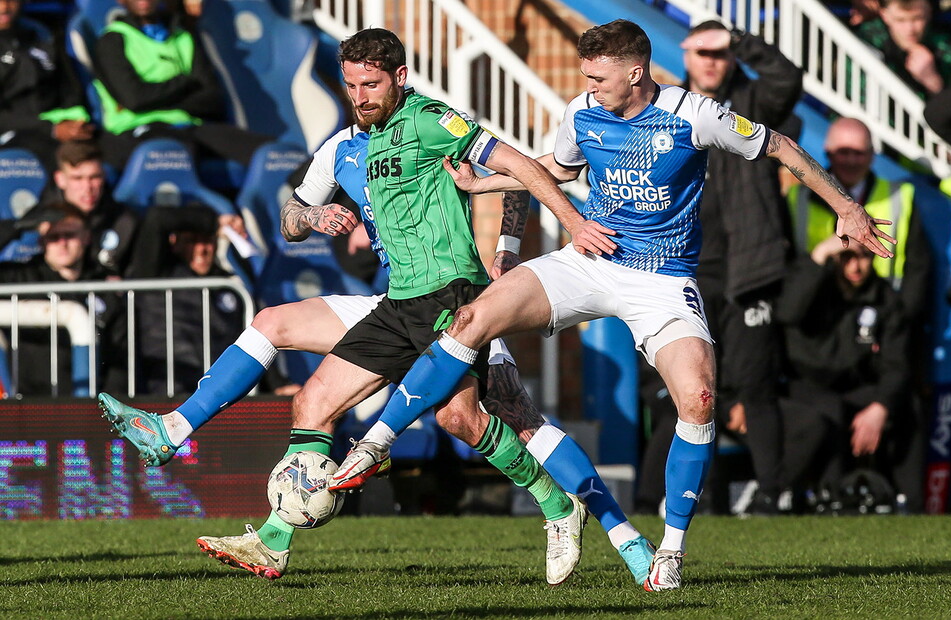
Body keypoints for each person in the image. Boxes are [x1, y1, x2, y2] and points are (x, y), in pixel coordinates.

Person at [330, 19, 895, 592]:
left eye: (599, 78)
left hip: (662, 280)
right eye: (586, 77)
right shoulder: (582, 112)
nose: (589, 87)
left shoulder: (694, 114)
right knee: (473, 317)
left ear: (636, 72)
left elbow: (779, 146)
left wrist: (847, 207)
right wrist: (483, 186)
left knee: (699, 398)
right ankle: (376, 442)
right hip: (590, 259)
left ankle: (669, 552)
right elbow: (559, 169)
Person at [100, 27, 636, 586]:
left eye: (371, 85)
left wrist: (549, 232)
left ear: (399, 78)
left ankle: (570, 510)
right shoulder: (343, 148)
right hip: (397, 301)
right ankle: (242, 507)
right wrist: (313, 217)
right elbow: (290, 217)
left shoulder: (431, 121)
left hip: (454, 298)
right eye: (351, 85)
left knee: (472, 418)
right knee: (307, 394)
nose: (359, 97)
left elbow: (520, 170)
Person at [638, 20, 803, 516]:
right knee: (691, 389)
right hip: (686, 271)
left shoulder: (752, 104)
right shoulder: (664, 109)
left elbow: (787, 79)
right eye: (702, 52)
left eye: (719, 53)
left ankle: (773, 497)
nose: (711, 62)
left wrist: (739, 41)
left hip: (750, 272)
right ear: (685, 56)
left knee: (756, 389)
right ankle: (682, 497)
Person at [776, 237, 911, 506]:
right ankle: (830, 497)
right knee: (832, 410)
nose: (856, 267)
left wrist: (881, 407)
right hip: (803, 383)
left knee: (908, 407)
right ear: (836, 258)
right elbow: (787, 313)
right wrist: (820, 253)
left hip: (855, 386)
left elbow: (897, 364)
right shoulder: (815, 285)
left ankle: (911, 502)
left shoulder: (884, 298)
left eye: (864, 257)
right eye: (848, 257)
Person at [92, 0, 271, 169]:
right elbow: (135, 99)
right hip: (138, 129)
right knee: (178, 152)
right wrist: (186, 82)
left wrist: (159, 98)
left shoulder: (182, 37)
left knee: (272, 154)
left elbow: (212, 99)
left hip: (189, 125)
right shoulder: (112, 40)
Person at [786, 118, 931, 324]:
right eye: (844, 152)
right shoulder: (798, 197)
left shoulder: (901, 197)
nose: (851, 160)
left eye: (859, 153)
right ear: (828, 152)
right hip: (816, 319)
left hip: (880, 317)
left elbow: (918, 266)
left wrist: (901, 319)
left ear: (872, 155)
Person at [123, 203, 246, 394]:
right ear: (175, 243)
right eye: (192, 241)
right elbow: (157, 218)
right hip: (169, 389)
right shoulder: (155, 272)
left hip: (221, 390)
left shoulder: (228, 284)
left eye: (207, 240)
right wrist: (213, 223)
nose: (202, 249)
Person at [0, 202, 116, 395]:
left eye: (69, 235)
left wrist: (110, 404)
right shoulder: (20, 277)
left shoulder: (105, 286)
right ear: (41, 241)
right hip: (26, 402)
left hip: (88, 404)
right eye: (53, 237)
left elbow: (121, 357)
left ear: (86, 237)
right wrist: (16, 227)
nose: (62, 243)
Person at [0, 0, 94, 171]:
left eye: (10, 0)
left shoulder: (42, 35)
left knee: (96, 151)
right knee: (56, 158)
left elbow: (69, 89)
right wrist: (51, 129)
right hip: (16, 132)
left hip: (54, 124)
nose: (4, 7)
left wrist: (75, 123)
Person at [42, 141, 140, 278]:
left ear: (104, 176)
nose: (87, 187)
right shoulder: (42, 222)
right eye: (77, 178)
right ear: (60, 179)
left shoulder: (125, 221)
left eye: (95, 177)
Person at [856, 0, 951, 98]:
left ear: (929, 12)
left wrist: (932, 81)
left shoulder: (943, 44)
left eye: (917, 18)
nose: (910, 29)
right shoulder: (867, 39)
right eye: (900, 20)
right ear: (885, 16)